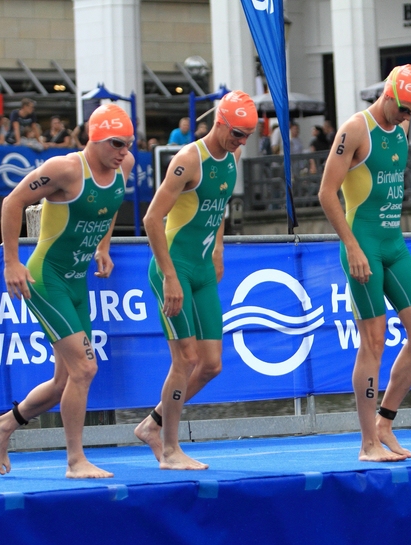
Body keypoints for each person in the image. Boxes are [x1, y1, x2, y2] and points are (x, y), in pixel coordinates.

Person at [0, 104, 134, 478]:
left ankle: (3, 425)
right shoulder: (65, 169)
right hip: (45, 277)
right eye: (117, 143)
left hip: (75, 280)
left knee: (64, 381)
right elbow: (12, 201)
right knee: (85, 368)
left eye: (128, 144)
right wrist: (11, 263)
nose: (124, 151)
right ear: (95, 138)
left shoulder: (124, 166)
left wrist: (103, 246)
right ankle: (75, 460)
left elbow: (110, 205)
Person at [133, 90, 257, 470]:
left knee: (212, 364)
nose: (241, 142)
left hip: (202, 268)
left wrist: (218, 248)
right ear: (219, 123)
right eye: (236, 133)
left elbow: (218, 205)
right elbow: (152, 219)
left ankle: (152, 424)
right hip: (174, 269)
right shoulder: (188, 160)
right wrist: (169, 276)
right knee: (185, 360)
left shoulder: (232, 155)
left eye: (246, 136)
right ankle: (170, 449)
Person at [318, 64, 411, 462]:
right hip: (362, 242)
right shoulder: (354, 129)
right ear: (387, 95)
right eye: (402, 109)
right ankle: (367, 443)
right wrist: (350, 245)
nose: (406, 118)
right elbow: (326, 193)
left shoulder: (401, 129)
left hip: (394, 243)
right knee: (373, 340)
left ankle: (386, 421)